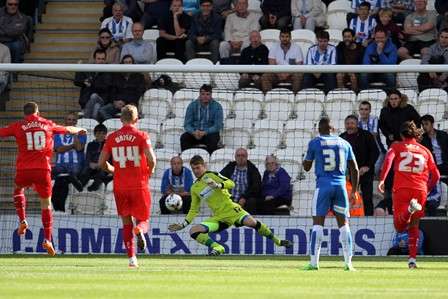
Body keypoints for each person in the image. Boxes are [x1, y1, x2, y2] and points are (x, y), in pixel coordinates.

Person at [0, 102, 85, 256]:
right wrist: (80, 129)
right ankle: (47, 239)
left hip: (24, 169)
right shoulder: (47, 124)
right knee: (46, 204)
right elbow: (68, 129)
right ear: (37, 112)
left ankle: (22, 220)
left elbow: (1, 132)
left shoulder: (18, 126)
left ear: (24, 113)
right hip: (43, 169)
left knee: (18, 189)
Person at [167, 155, 293, 256]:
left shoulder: (212, 175)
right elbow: (194, 209)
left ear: (204, 166)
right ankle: (218, 247)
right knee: (193, 231)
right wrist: (182, 224)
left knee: (253, 223)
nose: (196, 171)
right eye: (193, 168)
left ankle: (278, 241)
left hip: (233, 210)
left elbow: (231, 183)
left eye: (198, 167)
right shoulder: (194, 187)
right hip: (218, 217)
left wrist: (218, 186)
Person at [99, 104, 157, 268]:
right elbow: (152, 159)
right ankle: (139, 229)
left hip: (120, 186)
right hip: (139, 184)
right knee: (144, 220)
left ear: (120, 119)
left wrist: (114, 170)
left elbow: (101, 163)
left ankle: (132, 259)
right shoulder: (141, 135)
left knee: (125, 222)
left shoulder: (111, 137)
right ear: (136, 119)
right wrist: (149, 171)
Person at [378, 121, 440, 268]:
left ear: (401, 134)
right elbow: (436, 175)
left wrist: (382, 179)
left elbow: (388, 160)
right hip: (420, 190)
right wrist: (428, 189)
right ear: (416, 134)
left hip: (402, 189)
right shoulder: (425, 150)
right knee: (414, 226)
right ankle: (412, 260)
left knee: (400, 227)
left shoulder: (397, 146)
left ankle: (409, 210)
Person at [302, 117, 359, 271]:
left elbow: (306, 167)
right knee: (344, 224)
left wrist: (306, 158)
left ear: (319, 129)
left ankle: (314, 263)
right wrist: (354, 190)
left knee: (318, 224)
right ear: (333, 129)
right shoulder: (344, 143)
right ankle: (348, 264)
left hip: (323, 186)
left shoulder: (315, 142)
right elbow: (355, 169)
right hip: (340, 186)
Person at [340, 115, 379, 216]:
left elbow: (375, 152)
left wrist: (368, 166)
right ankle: (347, 217)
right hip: (349, 175)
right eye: (348, 124)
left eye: (352, 123)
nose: (350, 126)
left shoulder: (366, 135)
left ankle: (368, 219)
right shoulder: (341, 138)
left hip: (365, 172)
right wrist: (345, 172)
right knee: (348, 198)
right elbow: (339, 157)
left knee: (367, 198)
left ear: (357, 124)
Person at [51, 113, 86, 212]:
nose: (71, 122)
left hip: (75, 164)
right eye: (69, 119)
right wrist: (72, 146)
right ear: (65, 121)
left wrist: (74, 135)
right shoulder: (58, 134)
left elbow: (79, 148)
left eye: (73, 120)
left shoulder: (82, 133)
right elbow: (59, 149)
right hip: (60, 165)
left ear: (76, 122)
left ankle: (59, 206)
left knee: (62, 178)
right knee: (60, 175)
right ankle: (59, 205)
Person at [98, 55, 147, 121]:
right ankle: (114, 127)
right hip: (117, 103)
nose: (128, 64)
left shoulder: (139, 77)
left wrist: (124, 101)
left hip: (131, 104)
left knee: (129, 114)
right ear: (122, 64)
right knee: (102, 110)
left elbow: (138, 93)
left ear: (133, 63)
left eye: (130, 62)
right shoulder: (116, 76)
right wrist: (115, 101)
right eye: (126, 62)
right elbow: (112, 91)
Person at [180, 84, 223, 154]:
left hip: (209, 133)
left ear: (211, 95)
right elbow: (187, 124)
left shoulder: (217, 107)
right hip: (195, 133)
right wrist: (194, 132)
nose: (205, 96)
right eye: (203, 94)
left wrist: (205, 132)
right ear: (199, 94)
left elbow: (217, 126)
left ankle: (209, 158)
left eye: (207, 94)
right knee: (184, 137)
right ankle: (186, 156)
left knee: (214, 138)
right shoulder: (192, 106)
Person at [220, 148, 262, 215]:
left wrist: (244, 197)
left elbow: (256, 187)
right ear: (235, 157)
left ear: (247, 157)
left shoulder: (253, 169)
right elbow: (220, 177)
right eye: (238, 155)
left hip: (247, 199)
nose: (240, 158)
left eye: (243, 155)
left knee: (252, 201)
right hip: (231, 198)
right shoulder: (230, 167)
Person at [75, 49, 114, 119]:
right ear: (94, 59)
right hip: (87, 102)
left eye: (103, 59)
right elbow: (77, 82)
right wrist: (78, 69)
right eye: (98, 59)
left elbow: (105, 86)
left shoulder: (108, 70)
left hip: (102, 100)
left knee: (94, 96)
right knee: (96, 108)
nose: (101, 61)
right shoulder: (89, 69)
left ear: (105, 59)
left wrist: (91, 84)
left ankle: (85, 119)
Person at [261, 29, 303, 94]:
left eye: (287, 36)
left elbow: (299, 65)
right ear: (279, 38)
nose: (284, 39)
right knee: (265, 76)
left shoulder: (297, 48)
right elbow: (271, 64)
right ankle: (268, 98)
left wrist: (287, 74)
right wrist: (279, 74)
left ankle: (295, 98)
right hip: (277, 73)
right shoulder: (274, 47)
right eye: (282, 36)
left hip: (291, 74)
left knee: (298, 76)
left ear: (290, 38)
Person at [80, 124, 112, 192]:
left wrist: (101, 164)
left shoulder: (109, 144)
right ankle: (81, 185)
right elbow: (88, 158)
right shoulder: (91, 145)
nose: (101, 135)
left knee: (101, 173)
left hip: (104, 166)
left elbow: (110, 158)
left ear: (106, 134)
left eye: (103, 133)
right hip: (93, 166)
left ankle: (95, 186)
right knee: (86, 172)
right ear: (95, 134)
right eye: (99, 133)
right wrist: (90, 164)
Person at [358, 100, 386, 176]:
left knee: (373, 173)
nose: (363, 112)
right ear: (359, 110)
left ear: (370, 110)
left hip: (376, 150)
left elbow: (374, 134)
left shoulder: (374, 118)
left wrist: (361, 136)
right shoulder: (357, 120)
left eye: (366, 109)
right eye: (362, 109)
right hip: (363, 152)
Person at [420, 114, 448, 185]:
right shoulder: (422, 139)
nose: (424, 127)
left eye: (426, 124)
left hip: (445, 165)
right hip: (433, 167)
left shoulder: (443, 135)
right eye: (423, 125)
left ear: (432, 124)